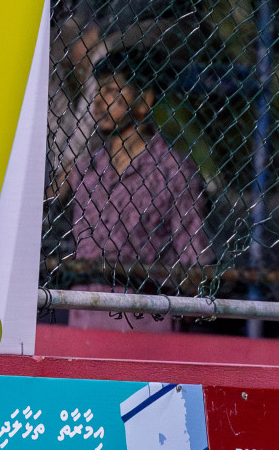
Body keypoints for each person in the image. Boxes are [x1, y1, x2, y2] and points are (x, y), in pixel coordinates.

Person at [60, 47, 211, 332]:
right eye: (99, 91)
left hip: (145, 315)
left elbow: (194, 254)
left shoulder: (173, 171)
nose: (100, 102)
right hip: (84, 313)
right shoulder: (87, 169)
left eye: (113, 91)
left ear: (144, 100)